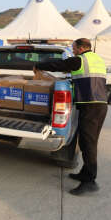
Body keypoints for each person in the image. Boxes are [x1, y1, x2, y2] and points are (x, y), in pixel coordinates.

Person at [34, 38, 108, 196]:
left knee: (89, 143)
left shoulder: (80, 60)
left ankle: (89, 181)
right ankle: (85, 172)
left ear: (81, 48)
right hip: (97, 105)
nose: (73, 51)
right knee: (85, 140)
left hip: (91, 106)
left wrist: (39, 65)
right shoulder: (97, 59)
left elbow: (59, 65)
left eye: (74, 48)